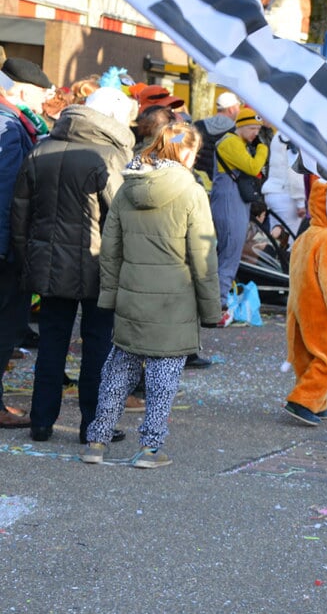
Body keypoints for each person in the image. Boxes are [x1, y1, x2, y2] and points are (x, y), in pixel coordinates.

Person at [82, 122, 222, 468]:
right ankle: (150, 449)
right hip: (174, 300)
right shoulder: (192, 192)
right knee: (163, 378)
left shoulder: (128, 187)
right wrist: (210, 309)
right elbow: (203, 255)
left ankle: (96, 441)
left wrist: (111, 295)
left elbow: (110, 248)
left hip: (131, 296)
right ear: (186, 152)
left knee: (118, 371)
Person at [12, 86, 136, 443]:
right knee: (98, 345)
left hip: (48, 266)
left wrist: (27, 260)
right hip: (98, 267)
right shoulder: (109, 156)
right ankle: (92, 426)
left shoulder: (41, 148)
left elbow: (20, 214)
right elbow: (122, 216)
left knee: (52, 343)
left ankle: (41, 422)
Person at [0, 59, 48, 428]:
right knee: (6, 323)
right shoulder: (10, 125)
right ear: (22, 90)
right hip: (3, 245)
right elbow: (8, 192)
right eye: (39, 92)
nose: (44, 100)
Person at [282, 180, 327, 426]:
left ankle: (318, 402)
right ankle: (302, 400)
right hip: (321, 308)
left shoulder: (305, 236)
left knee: (306, 357)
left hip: (299, 305)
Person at [211, 107, 268, 311]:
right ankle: (219, 303)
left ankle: (219, 299)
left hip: (234, 200)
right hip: (229, 202)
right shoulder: (231, 143)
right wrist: (263, 149)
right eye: (252, 128)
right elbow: (253, 167)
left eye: (258, 129)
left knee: (230, 251)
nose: (256, 133)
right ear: (240, 126)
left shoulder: (237, 142)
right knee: (230, 252)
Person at [261, 134, 307, 235]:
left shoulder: (280, 132)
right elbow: (296, 170)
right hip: (287, 195)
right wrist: (301, 202)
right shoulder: (295, 133)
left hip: (273, 192)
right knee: (289, 244)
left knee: (276, 240)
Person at [193, 91, 242, 179]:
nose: (239, 111)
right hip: (221, 181)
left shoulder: (198, 125)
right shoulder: (236, 132)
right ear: (231, 109)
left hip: (198, 179)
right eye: (238, 107)